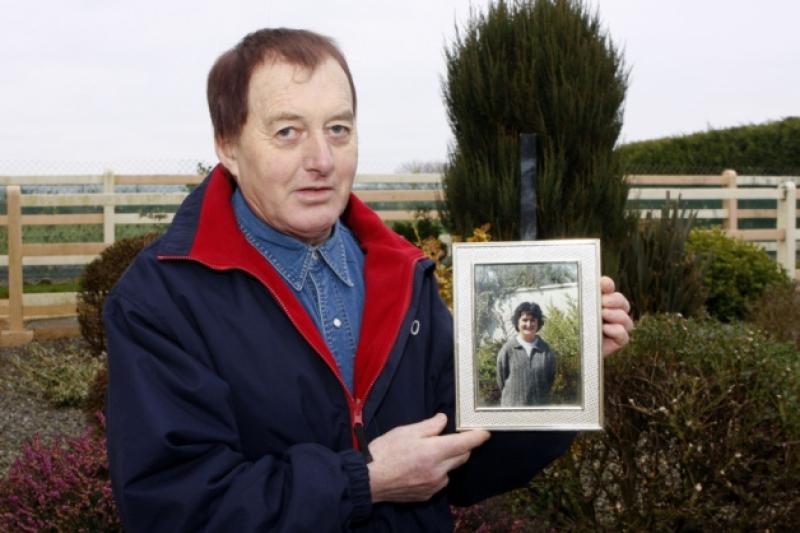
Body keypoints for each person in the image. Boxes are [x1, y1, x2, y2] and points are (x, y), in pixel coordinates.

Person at [104, 28, 634, 532]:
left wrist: (567, 378)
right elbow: (174, 509)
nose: (322, 160)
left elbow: (465, 461)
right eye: (287, 132)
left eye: (339, 128)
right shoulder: (159, 300)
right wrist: (364, 481)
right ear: (228, 146)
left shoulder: (404, 276)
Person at [496, 302, 557, 406]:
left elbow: (550, 379)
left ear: (538, 323)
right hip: (512, 413)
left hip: (539, 413)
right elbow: (501, 380)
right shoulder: (507, 349)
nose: (528, 324)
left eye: (532, 320)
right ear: (517, 322)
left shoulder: (546, 350)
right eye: (524, 320)